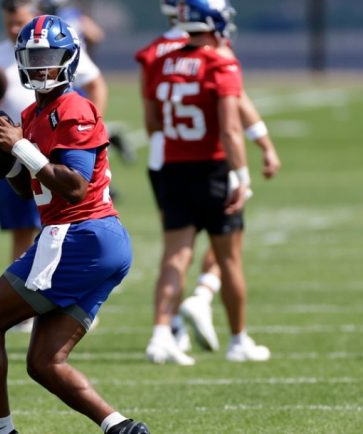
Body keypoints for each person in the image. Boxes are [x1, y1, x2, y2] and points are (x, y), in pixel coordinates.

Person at [0, 15, 149, 434]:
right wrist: (4, 161)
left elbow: (75, 187)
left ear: (68, 59)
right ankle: (120, 428)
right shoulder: (31, 114)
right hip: (85, 239)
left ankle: (0, 431)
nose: (41, 67)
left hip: (80, 234)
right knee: (44, 361)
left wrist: (21, 148)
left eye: (48, 57)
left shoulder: (74, 108)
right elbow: (29, 191)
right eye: (32, 58)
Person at [138, 0, 271, 365]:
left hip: (172, 167)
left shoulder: (160, 60)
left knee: (175, 256)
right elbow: (230, 129)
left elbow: (152, 123)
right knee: (229, 260)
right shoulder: (220, 62)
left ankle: (161, 336)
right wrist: (242, 175)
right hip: (212, 169)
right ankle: (238, 340)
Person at [0, 0, 108, 264]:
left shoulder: (56, 45)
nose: (13, 29)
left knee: (65, 222)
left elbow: (95, 82)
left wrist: (90, 130)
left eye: (19, 22)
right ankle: (24, 277)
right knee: (23, 230)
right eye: (9, 23)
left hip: (56, 148)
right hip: (16, 148)